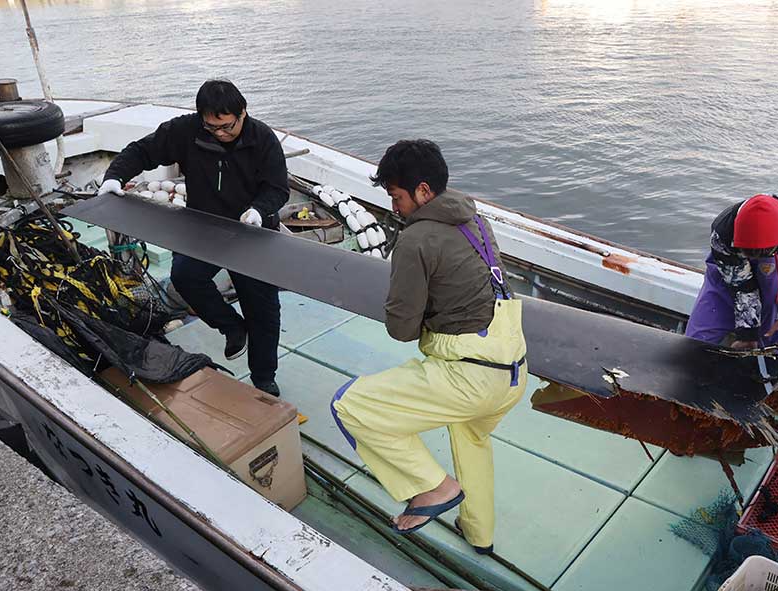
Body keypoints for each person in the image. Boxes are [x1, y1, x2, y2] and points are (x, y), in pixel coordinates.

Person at [330, 140, 527, 554]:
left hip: (469, 376)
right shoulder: (476, 222)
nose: (394, 207)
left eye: (396, 197)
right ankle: (480, 534)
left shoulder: (415, 240)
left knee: (350, 405)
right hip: (512, 371)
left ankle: (433, 488)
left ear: (422, 191)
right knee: (470, 435)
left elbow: (401, 329)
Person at [97, 80, 288, 396]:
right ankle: (231, 326)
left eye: (226, 126)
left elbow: (278, 188)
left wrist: (259, 209)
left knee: (263, 309)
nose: (220, 133)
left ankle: (263, 377)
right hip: (205, 227)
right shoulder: (186, 131)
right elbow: (142, 151)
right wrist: (114, 177)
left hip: (253, 231)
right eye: (211, 127)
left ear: (243, 113)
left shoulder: (263, 139)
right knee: (185, 277)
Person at [685, 194, 778, 350]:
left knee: (771, 313)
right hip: (731, 266)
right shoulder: (722, 232)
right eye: (749, 253)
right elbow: (741, 285)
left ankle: (768, 352)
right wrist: (748, 334)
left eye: (758, 253)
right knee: (696, 340)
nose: (754, 258)